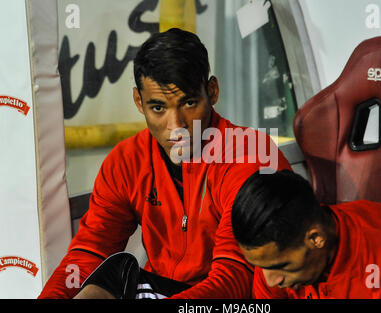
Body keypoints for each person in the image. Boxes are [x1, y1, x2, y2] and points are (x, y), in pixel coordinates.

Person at [38, 28, 291, 299]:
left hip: (238, 298)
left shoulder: (248, 155)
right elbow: (88, 253)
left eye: (189, 103)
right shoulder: (127, 161)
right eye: (158, 108)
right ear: (139, 101)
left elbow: (235, 278)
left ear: (212, 92)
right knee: (113, 273)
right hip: (169, 293)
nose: (176, 126)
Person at [231, 170, 381, 299]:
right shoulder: (274, 251)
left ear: (316, 238)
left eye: (280, 267)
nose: (270, 282)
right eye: (260, 266)